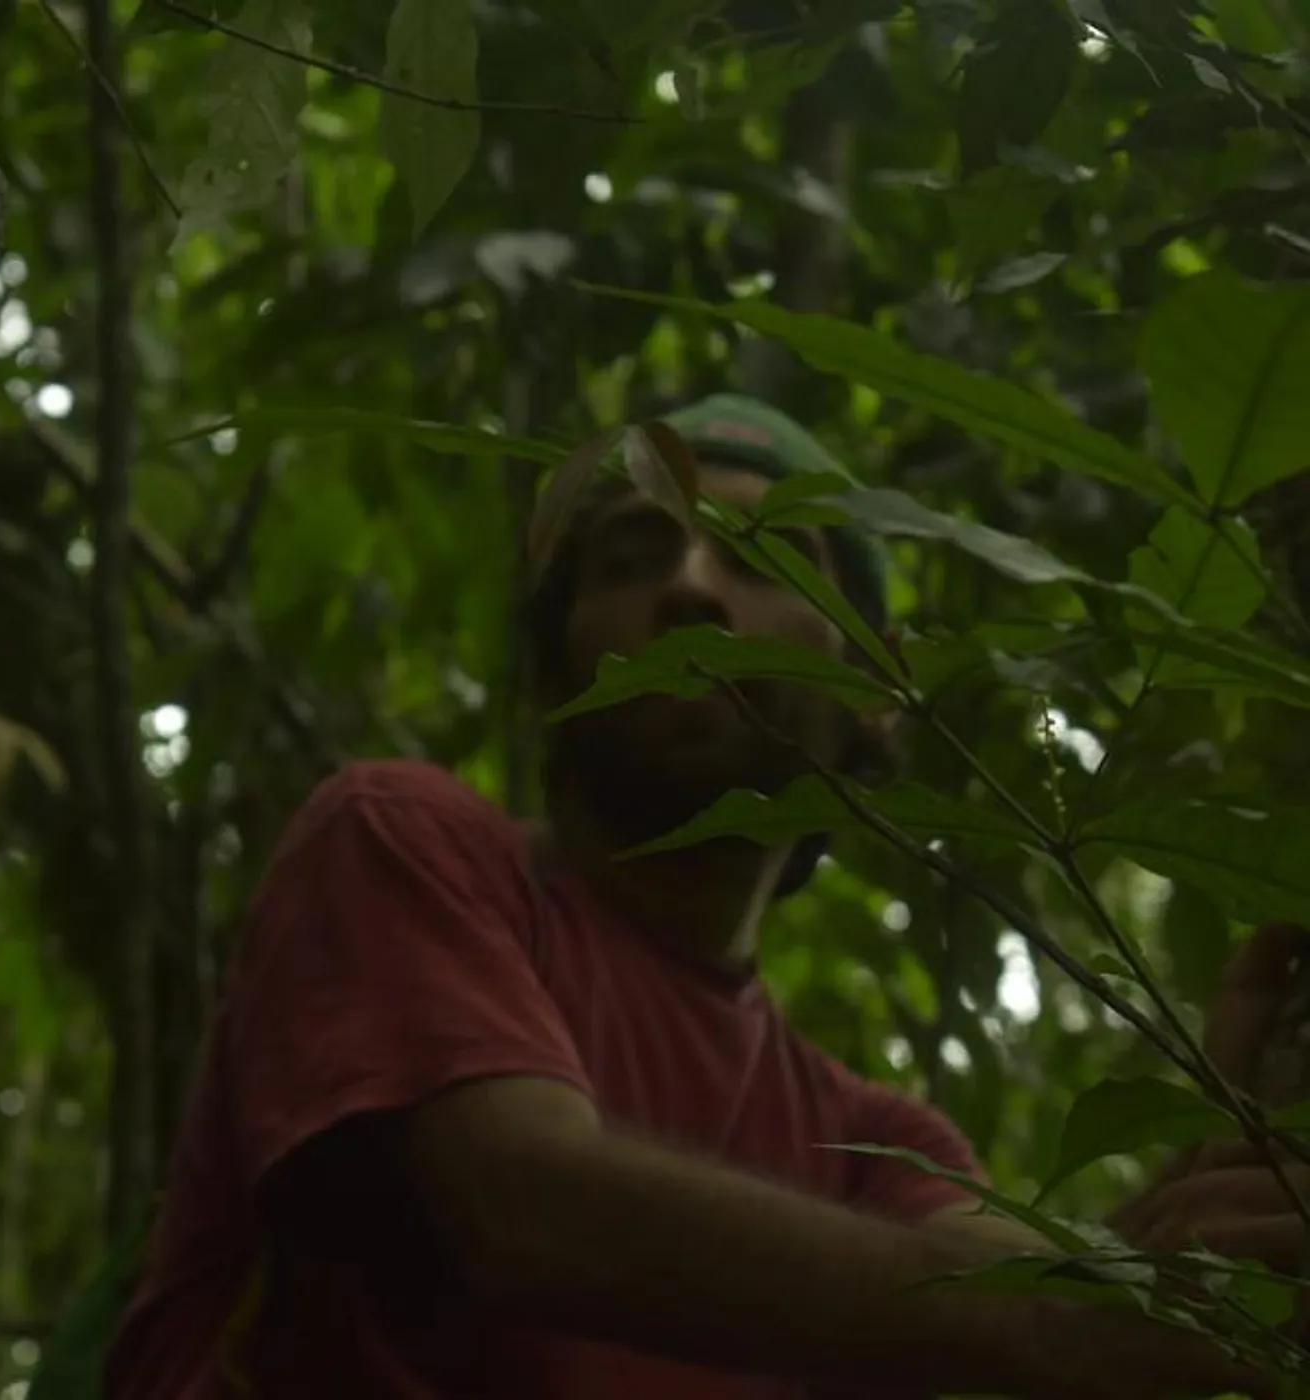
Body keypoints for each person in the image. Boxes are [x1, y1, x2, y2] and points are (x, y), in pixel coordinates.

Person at [105, 395, 1305, 1400]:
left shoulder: (872, 1145)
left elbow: (1027, 1303)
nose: (687, 588)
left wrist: (1199, 1196)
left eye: (766, 555)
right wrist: (1078, 1325)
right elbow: (521, 1206)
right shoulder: (401, 842)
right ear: (549, 671)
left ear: (880, 685)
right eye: (629, 559)